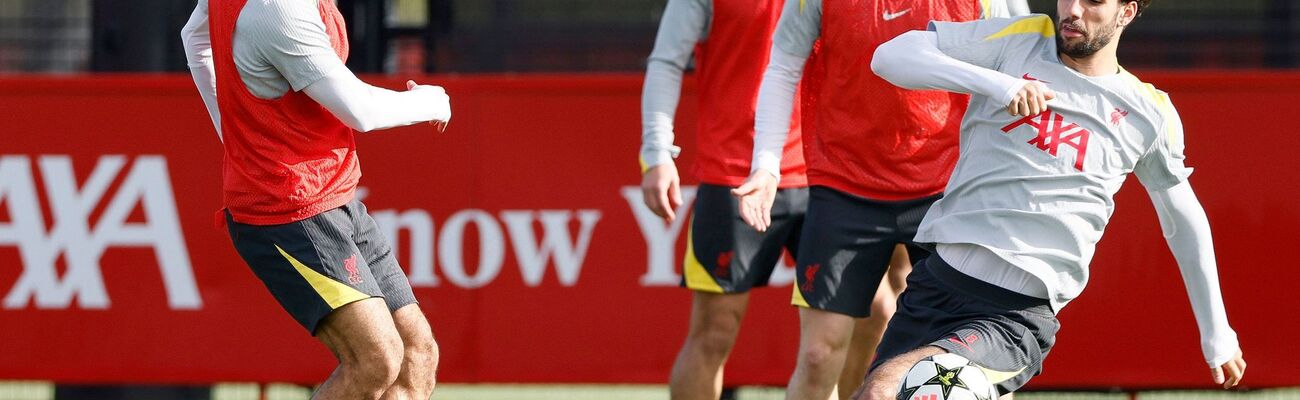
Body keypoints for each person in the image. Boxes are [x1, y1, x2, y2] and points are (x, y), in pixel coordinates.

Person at [856, 0, 1246, 398]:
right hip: (936, 284)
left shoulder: (1148, 111)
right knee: (873, 390)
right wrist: (1000, 85)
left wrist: (1217, 330)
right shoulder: (1022, 39)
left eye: (1093, 1)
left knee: (889, 389)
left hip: (1014, 317)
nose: (1073, 10)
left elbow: (1183, 220)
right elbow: (890, 57)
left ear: (1126, 13)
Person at [731, 1, 1024, 398]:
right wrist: (766, 165)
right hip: (843, 185)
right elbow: (782, 69)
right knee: (818, 355)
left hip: (947, 191)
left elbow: (1020, 73)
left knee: (958, 363)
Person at [181, 0, 451, 398]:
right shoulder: (277, 10)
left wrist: (235, 136)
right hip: (287, 212)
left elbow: (193, 38)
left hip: (336, 197)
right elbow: (359, 110)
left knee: (418, 353)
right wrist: (430, 101)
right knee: (376, 359)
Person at [639, 0, 808, 398]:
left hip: (828, 173)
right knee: (713, 334)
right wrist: (656, 154)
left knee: (868, 317)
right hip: (732, 174)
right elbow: (666, 61)